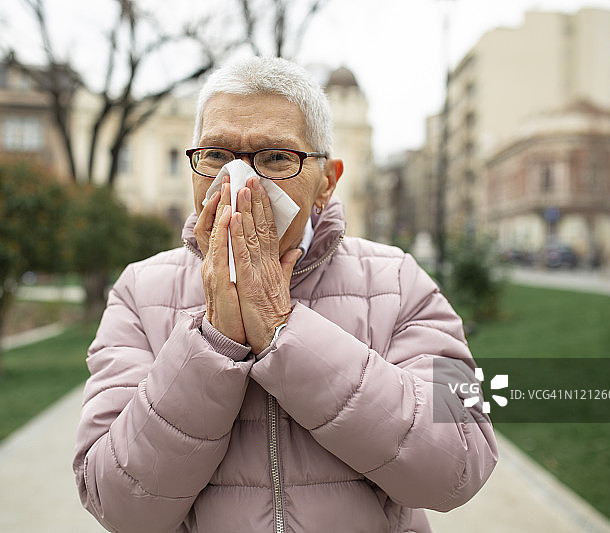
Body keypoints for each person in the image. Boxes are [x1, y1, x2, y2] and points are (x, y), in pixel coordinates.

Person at [73, 56, 497, 533]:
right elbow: (117, 505)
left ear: (327, 183)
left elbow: (460, 464)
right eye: (215, 155)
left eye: (275, 156)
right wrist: (212, 343)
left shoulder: (397, 281)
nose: (237, 181)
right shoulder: (139, 291)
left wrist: (284, 331)